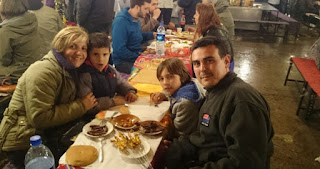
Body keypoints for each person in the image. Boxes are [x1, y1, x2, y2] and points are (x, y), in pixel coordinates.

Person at [165, 37, 274, 169]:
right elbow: (205, 136)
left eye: (209, 60)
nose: (202, 69)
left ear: (226, 61)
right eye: (197, 64)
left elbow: (246, 163)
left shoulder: (242, 102)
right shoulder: (214, 90)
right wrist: (178, 147)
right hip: (204, 156)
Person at [0, 26, 97, 168]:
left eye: (83, 48)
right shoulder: (43, 72)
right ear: (60, 46)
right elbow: (40, 118)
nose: (79, 53)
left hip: (49, 133)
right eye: (73, 46)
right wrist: (82, 106)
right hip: (24, 141)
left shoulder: (69, 69)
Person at [79, 32, 138, 114]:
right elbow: (89, 104)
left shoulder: (110, 69)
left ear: (110, 53)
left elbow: (120, 83)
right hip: (93, 117)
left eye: (105, 54)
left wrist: (129, 91)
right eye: (95, 54)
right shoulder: (85, 75)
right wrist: (112, 102)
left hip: (110, 111)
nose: (101, 59)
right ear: (88, 55)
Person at [150, 58, 205, 137]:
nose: (165, 83)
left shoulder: (185, 102)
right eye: (161, 79)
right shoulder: (189, 82)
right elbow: (171, 88)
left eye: (170, 77)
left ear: (182, 76)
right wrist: (164, 93)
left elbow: (180, 133)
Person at [0, 0, 40, 84]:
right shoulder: (32, 19)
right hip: (33, 68)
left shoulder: (6, 31)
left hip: (16, 74)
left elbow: (3, 60)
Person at [112, 0, 155, 74]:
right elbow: (120, 50)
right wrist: (140, 57)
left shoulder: (135, 18)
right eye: (145, 9)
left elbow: (136, 36)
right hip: (124, 62)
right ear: (137, 7)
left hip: (135, 56)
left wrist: (152, 35)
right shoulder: (121, 22)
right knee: (151, 72)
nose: (148, 11)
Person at [193, 3, 234, 71]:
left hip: (223, 68)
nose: (194, 16)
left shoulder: (212, 35)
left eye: (196, 14)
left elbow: (203, 56)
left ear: (203, 17)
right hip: (228, 63)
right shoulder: (216, 27)